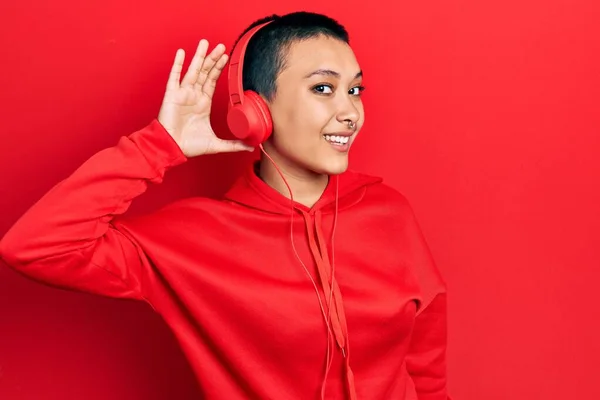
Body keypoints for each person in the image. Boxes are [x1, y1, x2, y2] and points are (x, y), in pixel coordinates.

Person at [0, 11, 450, 400]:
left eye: (354, 90)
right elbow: (35, 246)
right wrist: (160, 146)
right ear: (256, 109)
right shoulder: (191, 240)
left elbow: (426, 368)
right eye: (323, 89)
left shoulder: (389, 212)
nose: (351, 112)